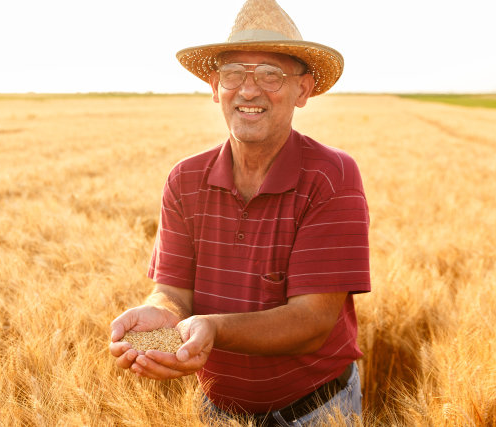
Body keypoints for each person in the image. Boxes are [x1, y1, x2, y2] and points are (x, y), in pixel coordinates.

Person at [109, 0, 370, 425]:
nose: (249, 90)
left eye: (271, 74)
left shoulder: (331, 176)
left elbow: (313, 320)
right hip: (217, 412)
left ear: (302, 90)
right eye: (233, 74)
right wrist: (161, 313)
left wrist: (212, 328)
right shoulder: (184, 180)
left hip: (317, 411)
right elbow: (173, 292)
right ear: (215, 86)